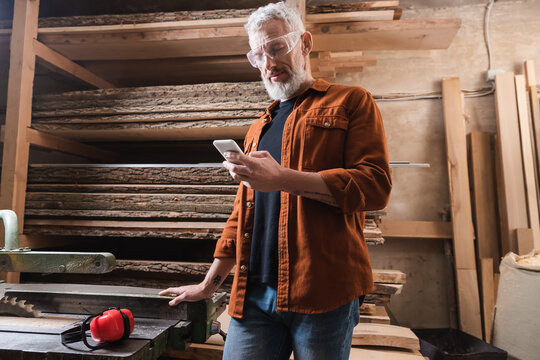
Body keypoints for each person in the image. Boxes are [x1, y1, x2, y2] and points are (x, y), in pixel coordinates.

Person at [159, 2, 392, 359]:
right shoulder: (258, 128)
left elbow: (374, 186)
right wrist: (209, 285)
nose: (268, 63)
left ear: (305, 43)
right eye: (257, 55)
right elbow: (243, 217)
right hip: (253, 296)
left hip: (324, 294)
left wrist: (282, 179)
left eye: (276, 47)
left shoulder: (351, 102)